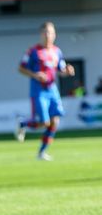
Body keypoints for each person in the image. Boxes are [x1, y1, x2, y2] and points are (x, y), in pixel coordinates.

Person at [15, 22, 75, 161]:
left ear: (55, 35)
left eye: (51, 33)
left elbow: (61, 69)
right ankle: (23, 124)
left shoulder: (57, 51)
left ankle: (41, 152)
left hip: (52, 89)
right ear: (41, 34)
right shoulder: (33, 51)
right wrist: (35, 75)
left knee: (55, 122)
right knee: (44, 122)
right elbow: (21, 68)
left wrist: (67, 71)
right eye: (46, 32)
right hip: (38, 91)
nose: (49, 36)